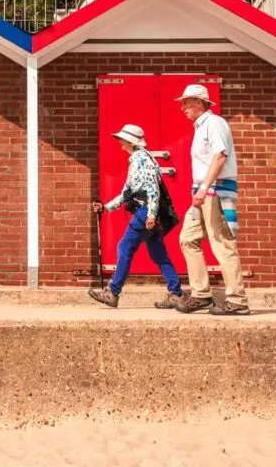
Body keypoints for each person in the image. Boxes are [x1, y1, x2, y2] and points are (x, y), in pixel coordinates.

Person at [88, 124, 183, 309]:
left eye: (122, 139)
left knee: (124, 247)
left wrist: (151, 214)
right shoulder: (137, 159)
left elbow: (152, 188)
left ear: (130, 141)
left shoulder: (141, 158)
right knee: (159, 254)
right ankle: (176, 293)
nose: (120, 143)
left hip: (144, 211)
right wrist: (106, 208)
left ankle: (113, 292)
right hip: (148, 211)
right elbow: (126, 193)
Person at [174, 84, 249, 316]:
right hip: (202, 192)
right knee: (188, 238)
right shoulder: (201, 126)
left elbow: (220, 156)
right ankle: (201, 294)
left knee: (221, 242)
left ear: (198, 102)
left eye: (186, 102)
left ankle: (237, 300)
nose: (183, 107)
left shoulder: (214, 123)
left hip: (214, 191)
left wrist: (204, 188)